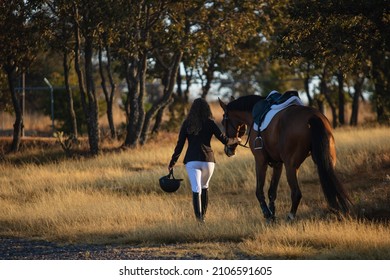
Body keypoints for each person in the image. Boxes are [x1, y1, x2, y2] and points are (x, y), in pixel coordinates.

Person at [168, 98, 241, 223]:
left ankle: (199, 220)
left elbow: (179, 145)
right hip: (208, 161)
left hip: (192, 161)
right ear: (207, 109)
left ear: (192, 110)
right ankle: (204, 217)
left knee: (196, 189)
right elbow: (225, 140)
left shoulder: (187, 124)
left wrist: (172, 162)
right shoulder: (210, 123)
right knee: (205, 186)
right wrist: (237, 140)